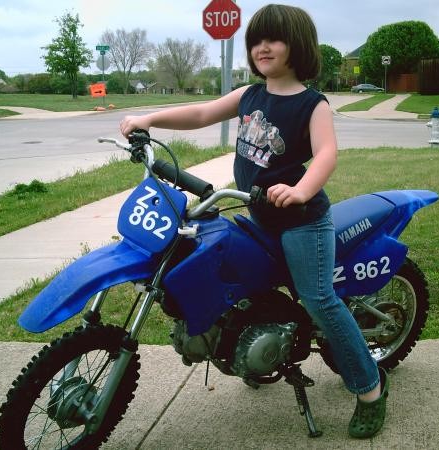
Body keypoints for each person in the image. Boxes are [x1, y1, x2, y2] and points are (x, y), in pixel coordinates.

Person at [120, 3, 389, 439]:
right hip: (259, 214)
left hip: (302, 223)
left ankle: (370, 388)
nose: (263, 47)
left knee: (319, 300)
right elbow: (202, 113)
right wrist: (149, 118)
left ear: (297, 45)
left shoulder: (311, 103)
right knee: (240, 281)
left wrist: (301, 190)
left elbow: (327, 154)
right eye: (256, 39)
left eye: (274, 39)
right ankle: (257, 346)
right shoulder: (250, 95)